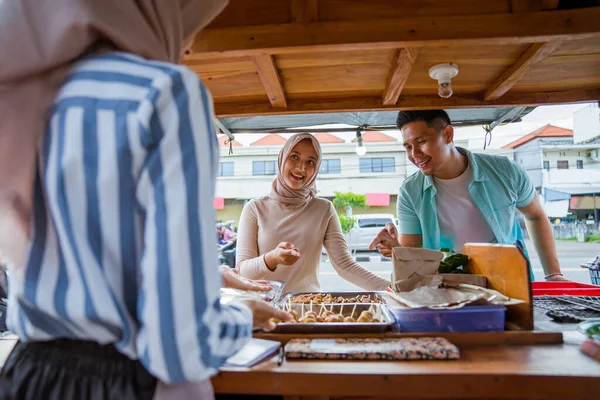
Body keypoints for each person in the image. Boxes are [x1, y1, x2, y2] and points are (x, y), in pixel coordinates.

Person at [0, 1, 291, 399]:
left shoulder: (21, 92)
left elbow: (73, 255)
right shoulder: (163, 90)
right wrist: (241, 317)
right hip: (125, 383)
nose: (187, 46)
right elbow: (179, 347)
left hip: (28, 376)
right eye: (191, 25)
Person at [369, 110, 566, 282]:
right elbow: (412, 252)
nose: (415, 154)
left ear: (447, 134)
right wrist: (395, 248)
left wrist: (553, 274)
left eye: (421, 142)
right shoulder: (410, 191)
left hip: (509, 282)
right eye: (408, 147)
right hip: (445, 289)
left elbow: (536, 215)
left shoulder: (505, 171)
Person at [236, 133, 391, 293]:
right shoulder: (255, 208)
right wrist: (272, 258)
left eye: (310, 161)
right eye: (294, 157)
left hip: (307, 308)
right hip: (263, 308)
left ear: (316, 168)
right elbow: (242, 271)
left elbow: (345, 265)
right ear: (282, 158)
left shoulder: (324, 209)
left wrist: (392, 289)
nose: (301, 168)